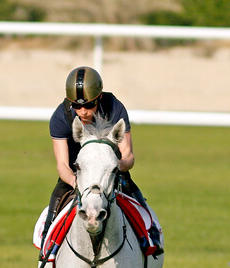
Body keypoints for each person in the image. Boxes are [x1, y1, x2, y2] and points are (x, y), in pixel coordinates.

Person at [40, 66, 161, 255]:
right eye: (76, 106)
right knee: (53, 209)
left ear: (99, 98)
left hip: (111, 170)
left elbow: (128, 156)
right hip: (77, 172)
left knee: (142, 208)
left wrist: (110, 167)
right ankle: (48, 249)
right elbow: (62, 165)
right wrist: (76, 182)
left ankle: (151, 239)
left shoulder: (115, 108)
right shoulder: (61, 116)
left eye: (89, 105)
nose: (82, 112)